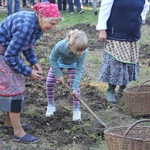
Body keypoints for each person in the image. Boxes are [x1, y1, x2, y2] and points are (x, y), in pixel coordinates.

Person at [0, 2, 62, 143]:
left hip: (7, 52)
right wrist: (28, 72)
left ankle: (9, 123)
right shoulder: (26, 27)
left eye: (55, 24)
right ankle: (18, 133)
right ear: (40, 16)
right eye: (51, 24)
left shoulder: (37, 25)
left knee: (17, 86)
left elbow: (27, 45)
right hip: (3, 54)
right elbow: (10, 56)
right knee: (14, 89)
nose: (53, 28)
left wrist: (34, 62)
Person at [96, 0, 149, 103]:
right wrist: (102, 29)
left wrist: (140, 19)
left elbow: (146, 5)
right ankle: (111, 90)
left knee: (129, 60)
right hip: (116, 31)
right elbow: (105, 7)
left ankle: (123, 87)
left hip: (132, 33)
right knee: (114, 62)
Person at [46, 29, 88, 121]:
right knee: (49, 82)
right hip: (59, 63)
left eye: (83, 50)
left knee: (76, 89)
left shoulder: (83, 52)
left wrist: (74, 87)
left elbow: (79, 70)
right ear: (70, 45)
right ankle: (50, 105)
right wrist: (58, 74)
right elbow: (52, 58)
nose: (81, 53)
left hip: (74, 65)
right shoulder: (60, 46)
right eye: (79, 51)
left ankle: (76, 110)